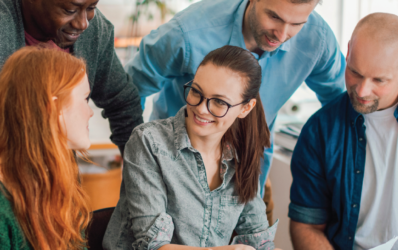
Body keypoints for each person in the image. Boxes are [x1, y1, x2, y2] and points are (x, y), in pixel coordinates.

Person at [126, 0, 346, 219]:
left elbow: (339, 104)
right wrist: (138, 159)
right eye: (274, 17)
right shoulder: (188, 32)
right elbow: (129, 92)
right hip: (172, 179)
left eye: (297, 24)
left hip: (251, 177)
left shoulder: (318, 38)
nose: (281, 35)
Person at [103, 46, 279, 250]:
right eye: (196, 92)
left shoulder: (242, 155)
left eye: (219, 102)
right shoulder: (148, 142)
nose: (201, 109)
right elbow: (152, 245)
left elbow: (260, 241)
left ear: (245, 108)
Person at [289, 13, 398, 250]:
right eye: (355, 73)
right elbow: (306, 225)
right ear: (348, 52)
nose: (361, 90)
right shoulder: (320, 130)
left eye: (379, 80)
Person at [0, 0, 143, 154]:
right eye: (69, 10)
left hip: (56, 172)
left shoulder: (94, 31)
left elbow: (122, 102)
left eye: (91, 8)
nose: (83, 24)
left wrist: (139, 174)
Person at [0, 47, 93, 249]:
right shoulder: (3, 209)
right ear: (54, 107)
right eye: (85, 99)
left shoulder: (58, 180)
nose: (90, 112)